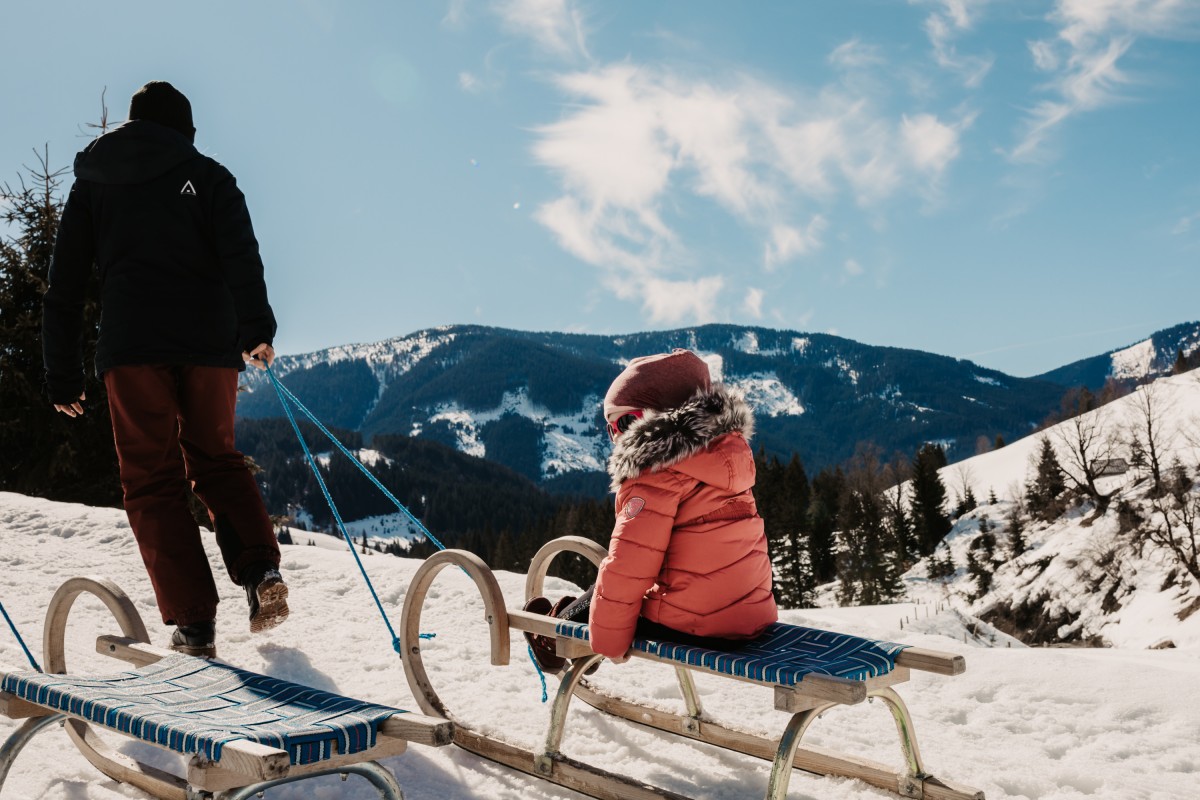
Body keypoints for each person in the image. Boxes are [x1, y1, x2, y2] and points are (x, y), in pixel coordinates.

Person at [42, 80, 287, 659]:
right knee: (216, 460)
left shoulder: (94, 182)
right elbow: (241, 255)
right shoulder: (210, 176)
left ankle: (194, 625)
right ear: (184, 130)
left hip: (132, 349)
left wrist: (62, 372)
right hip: (208, 345)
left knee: (152, 480)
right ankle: (260, 572)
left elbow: (66, 283)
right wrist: (255, 328)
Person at [525, 349, 778, 671]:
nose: (618, 436)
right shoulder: (728, 458)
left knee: (606, 587)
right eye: (611, 427)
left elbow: (628, 568)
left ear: (661, 417)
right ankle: (568, 613)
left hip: (696, 624)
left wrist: (608, 644)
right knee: (605, 594)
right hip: (752, 616)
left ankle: (553, 640)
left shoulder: (656, 474)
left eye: (626, 422)